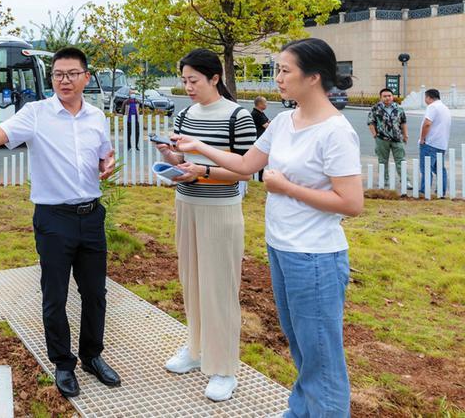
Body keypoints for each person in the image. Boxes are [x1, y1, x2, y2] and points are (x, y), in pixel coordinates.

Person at [173, 38, 363, 417]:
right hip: (281, 247)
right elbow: (246, 165)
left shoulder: (336, 131)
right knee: (300, 343)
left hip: (315, 256)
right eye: (277, 69)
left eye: (284, 70)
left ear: (313, 77)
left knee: (321, 354)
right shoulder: (283, 121)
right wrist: (198, 147)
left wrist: (287, 188)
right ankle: (300, 411)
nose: (277, 78)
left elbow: (351, 203)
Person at [0, 47, 120, 398]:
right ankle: (63, 364)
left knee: (96, 293)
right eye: (58, 74)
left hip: (92, 216)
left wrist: (106, 164)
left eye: (71, 74)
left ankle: (92, 356)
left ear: (86, 77)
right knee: (55, 295)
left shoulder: (96, 116)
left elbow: (103, 156)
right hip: (54, 219)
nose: (64, 80)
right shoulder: (35, 113)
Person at [154, 48, 256, 403]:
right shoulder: (185, 114)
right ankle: (196, 349)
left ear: (215, 78)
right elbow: (184, 159)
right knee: (192, 280)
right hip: (186, 203)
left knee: (220, 288)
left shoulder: (238, 116)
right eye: (184, 80)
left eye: (193, 80)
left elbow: (245, 170)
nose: (188, 87)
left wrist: (203, 170)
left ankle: (224, 367)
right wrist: (169, 156)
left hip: (220, 209)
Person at [367, 88, 408, 187]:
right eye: (384, 96)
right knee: (382, 161)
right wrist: (375, 135)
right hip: (382, 139)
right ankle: (384, 180)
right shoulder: (375, 108)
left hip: (397, 138)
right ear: (381, 97)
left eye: (389, 96)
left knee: (401, 160)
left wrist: (405, 135)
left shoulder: (399, 108)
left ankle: (405, 181)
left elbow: (403, 122)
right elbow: (370, 122)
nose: (387, 98)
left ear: (392, 97)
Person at [419, 88, 452, 195]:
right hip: (441, 143)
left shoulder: (432, 107)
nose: (425, 100)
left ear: (429, 97)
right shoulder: (445, 108)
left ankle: (424, 191)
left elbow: (427, 123)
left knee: (426, 168)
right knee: (440, 169)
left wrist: (422, 138)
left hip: (430, 142)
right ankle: (441, 191)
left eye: (425, 97)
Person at [251, 96, 270, 182]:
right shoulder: (256, 114)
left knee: (261, 159)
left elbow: (268, 121)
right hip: (258, 139)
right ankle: (258, 178)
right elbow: (267, 126)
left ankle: (260, 177)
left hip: (261, 138)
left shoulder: (261, 113)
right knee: (259, 159)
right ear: (259, 104)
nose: (266, 104)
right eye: (265, 103)